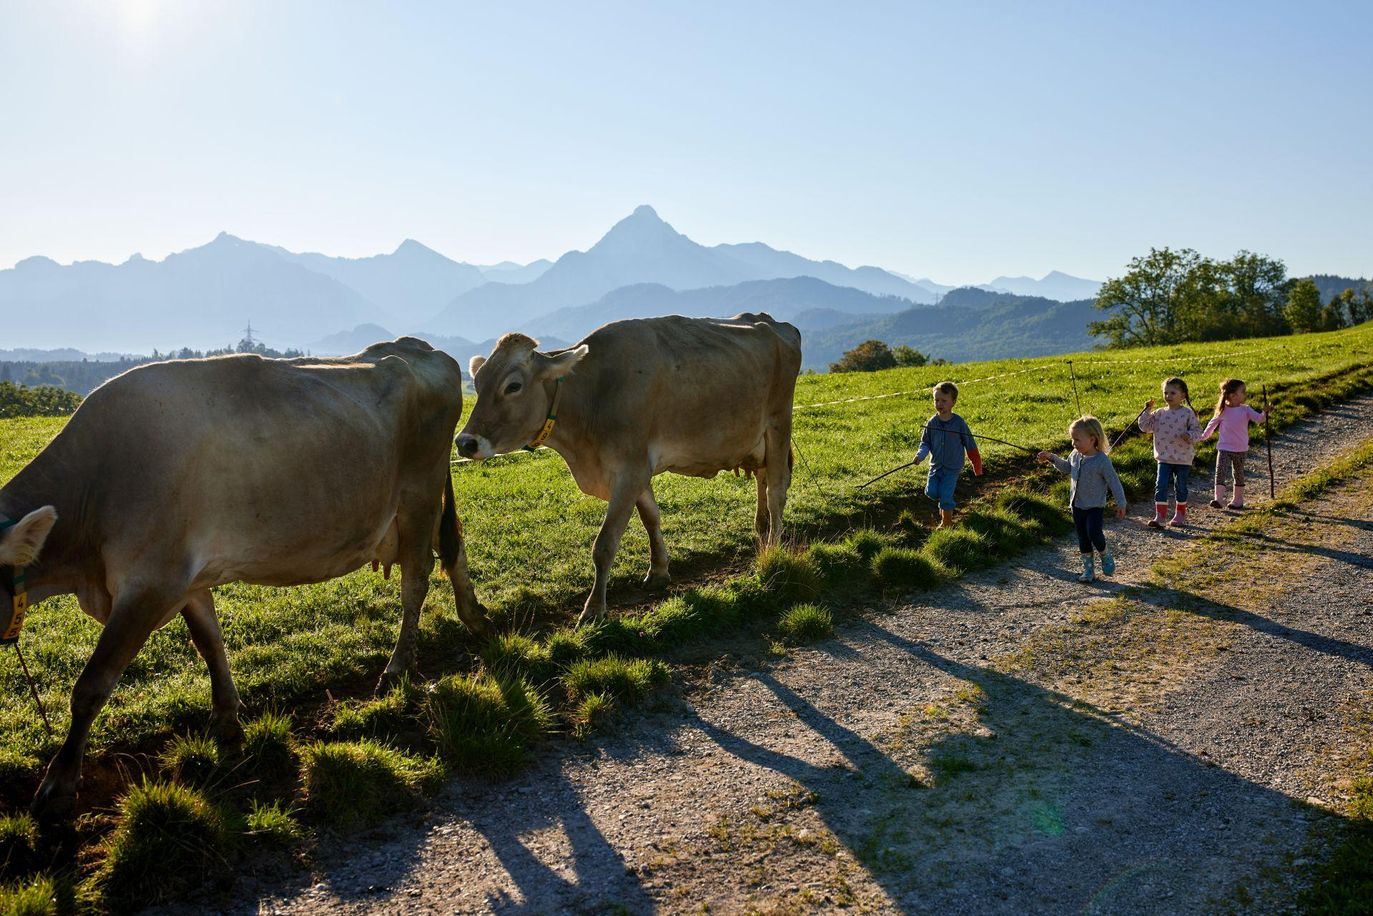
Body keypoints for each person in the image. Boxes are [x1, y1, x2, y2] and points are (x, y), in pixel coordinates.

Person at [1038, 416, 1127, 583]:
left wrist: (1121, 502)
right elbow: (1066, 468)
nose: (1074, 443)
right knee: (1083, 537)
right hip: (1077, 505)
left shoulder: (1102, 461)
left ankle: (1104, 554)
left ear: (1092, 439)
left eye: (1077, 440)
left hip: (1094, 506)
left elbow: (1114, 482)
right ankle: (1088, 570)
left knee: (1094, 533)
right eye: (1072, 439)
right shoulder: (1075, 455)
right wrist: (1051, 458)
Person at [913, 381, 982, 527]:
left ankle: (947, 522)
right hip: (935, 467)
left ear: (953, 402)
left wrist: (977, 465)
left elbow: (970, 444)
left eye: (944, 401)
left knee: (945, 495)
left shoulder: (958, 423)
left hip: (953, 467)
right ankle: (944, 505)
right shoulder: (932, 423)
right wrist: (920, 455)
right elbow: (925, 443)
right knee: (931, 492)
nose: (939, 404)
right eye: (936, 400)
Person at [1137, 376, 1204, 528]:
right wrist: (1147, 410)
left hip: (1183, 458)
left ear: (1183, 395)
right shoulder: (1159, 413)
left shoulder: (1187, 414)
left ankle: (1179, 515)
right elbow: (1145, 426)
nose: (1168, 396)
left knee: (1180, 487)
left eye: (1172, 393)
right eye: (1166, 393)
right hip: (1164, 458)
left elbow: (1198, 431)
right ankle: (1160, 516)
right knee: (1160, 486)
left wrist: (1189, 436)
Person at [1201, 378, 1267, 509]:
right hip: (1224, 447)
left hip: (1241, 448)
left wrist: (1265, 412)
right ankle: (1218, 499)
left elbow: (1259, 420)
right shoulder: (1223, 410)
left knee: (1238, 473)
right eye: (1243, 391)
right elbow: (1212, 424)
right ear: (1232, 395)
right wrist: (1203, 436)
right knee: (1220, 471)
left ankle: (1238, 500)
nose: (1245, 394)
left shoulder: (1246, 409)